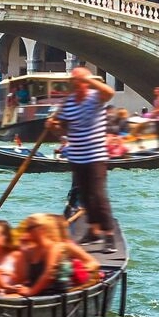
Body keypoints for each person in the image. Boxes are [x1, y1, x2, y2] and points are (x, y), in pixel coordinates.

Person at [45, 65, 117, 241]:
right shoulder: (67, 103)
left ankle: (109, 234)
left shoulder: (96, 98)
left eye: (79, 81)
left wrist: (87, 78)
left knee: (98, 195)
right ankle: (93, 230)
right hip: (76, 156)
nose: (76, 84)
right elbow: (63, 130)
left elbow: (110, 93)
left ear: (87, 83)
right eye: (74, 81)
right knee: (85, 195)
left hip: (95, 156)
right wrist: (53, 127)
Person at [14, 213, 103, 296]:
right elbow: (20, 277)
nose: (26, 232)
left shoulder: (60, 246)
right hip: (37, 291)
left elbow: (49, 274)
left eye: (29, 228)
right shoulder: (28, 251)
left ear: (41, 229)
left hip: (55, 293)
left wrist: (81, 271)